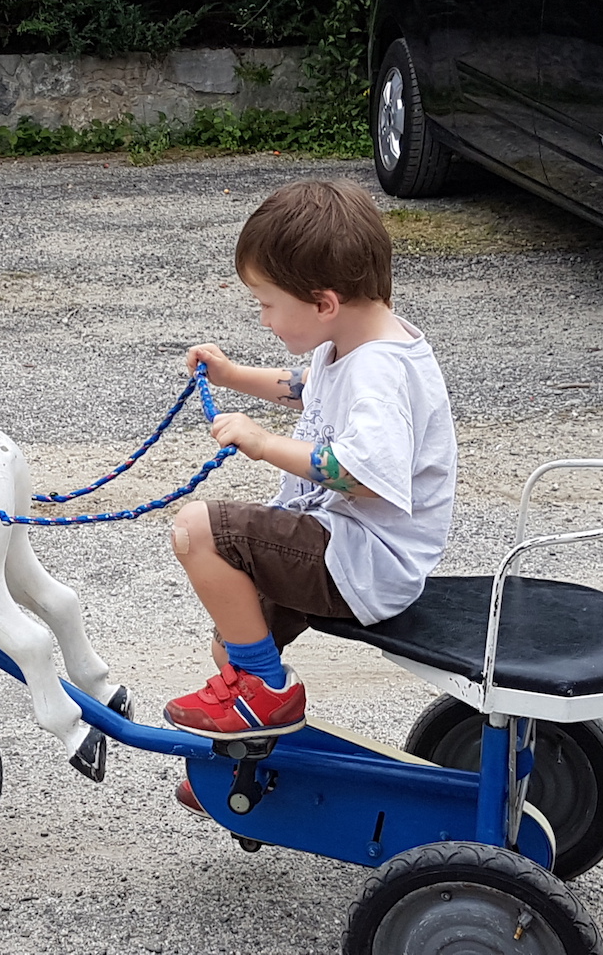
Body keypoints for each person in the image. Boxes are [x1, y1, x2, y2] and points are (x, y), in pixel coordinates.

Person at [164, 179, 457, 812]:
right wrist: (233, 374)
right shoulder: (355, 342)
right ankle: (249, 763)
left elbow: (364, 472)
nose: (263, 318)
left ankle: (266, 694)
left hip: (361, 559)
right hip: (345, 546)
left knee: (198, 530)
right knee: (236, 636)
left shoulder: (379, 370)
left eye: (266, 304)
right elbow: (307, 388)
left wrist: (264, 444)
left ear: (323, 302)